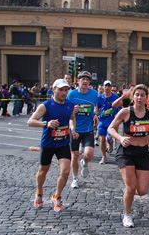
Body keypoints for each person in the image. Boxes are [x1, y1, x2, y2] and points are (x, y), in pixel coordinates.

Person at [108, 84, 149, 228]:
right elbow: (111, 128)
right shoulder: (125, 112)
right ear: (133, 97)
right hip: (126, 152)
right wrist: (120, 138)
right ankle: (127, 214)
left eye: (142, 95)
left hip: (143, 152)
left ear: (146, 97)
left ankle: (128, 192)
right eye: (136, 95)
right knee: (131, 187)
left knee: (142, 191)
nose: (139, 97)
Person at [27, 79, 77, 211]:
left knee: (66, 171)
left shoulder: (70, 105)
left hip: (63, 142)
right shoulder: (45, 105)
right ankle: (39, 192)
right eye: (61, 89)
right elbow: (30, 121)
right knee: (43, 171)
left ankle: (57, 195)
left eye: (66, 90)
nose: (63, 92)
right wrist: (46, 123)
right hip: (48, 143)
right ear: (53, 89)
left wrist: (73, 129)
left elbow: (72, 118)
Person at [66, 71, 99, 188]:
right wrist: (71, 110)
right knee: (74, 156)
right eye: (82, 79)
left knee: (89, 154)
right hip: (74, 129)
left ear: (89, 82)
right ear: (78, 81)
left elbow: (96, 106)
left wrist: (95, 114)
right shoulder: (71, 95)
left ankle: (84, 163)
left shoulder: (94, 94)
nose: (85, 81)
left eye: (87, 79)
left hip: (88, 128)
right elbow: (66, 110)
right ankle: (75, 178)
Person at [96, 80, 119, 164]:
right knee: (102, 139)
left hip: (111, 121)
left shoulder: (115, 97)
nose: (107, 88)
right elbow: (97, 107)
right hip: (102, 121)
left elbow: (119, 107)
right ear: (103, 87)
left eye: (109, 86)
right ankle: (104, 156)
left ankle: (110, 144)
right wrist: (96, 113)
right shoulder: (100, 97)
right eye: (106, 86)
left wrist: (117, 115)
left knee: (108, 138)